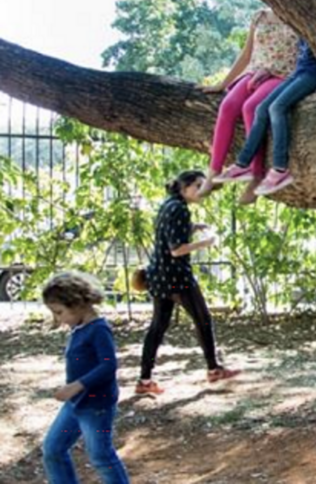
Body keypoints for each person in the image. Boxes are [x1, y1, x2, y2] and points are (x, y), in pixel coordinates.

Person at [136, 170, 240, 395]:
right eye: (198, 185)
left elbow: (168, 232)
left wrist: (194, 227)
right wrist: (205, 243)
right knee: (202, 319)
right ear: (184, 188)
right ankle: (213, 368)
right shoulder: (180, 209)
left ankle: (144, 380)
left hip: (158, 276)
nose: (203, 190)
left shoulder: (170, 205)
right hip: (176, 276)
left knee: (157, 327)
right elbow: (176, 249)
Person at [41, 271, 130, 484]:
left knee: (101, 455)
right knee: (53, 448)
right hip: (75, 405)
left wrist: (76, 386)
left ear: (77, 303)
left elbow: (108, 366)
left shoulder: (98, 329)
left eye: (60, 312)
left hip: (96, 407)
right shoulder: (78, 328)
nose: (58, 319)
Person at [199, 9, 299, 199]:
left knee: (251, 107)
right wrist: (223, 83)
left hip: (281, 74)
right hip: (254, 72)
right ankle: (213, 172)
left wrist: (270, 71)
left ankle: (256, 173)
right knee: (227, 106)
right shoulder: (260, 16)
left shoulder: (297, 15)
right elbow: (246, 55)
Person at [215, 38, 316, 200]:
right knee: (261, 109)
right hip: (298, 73)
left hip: (312, 75)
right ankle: (242, 164)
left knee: (277, 108)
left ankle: (280, 169)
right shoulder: (299, 26)